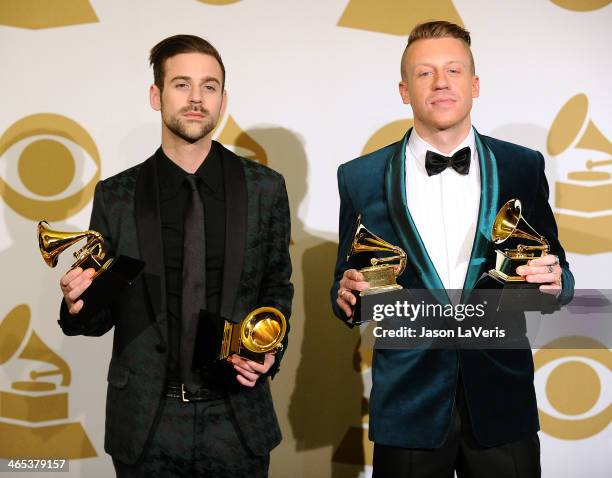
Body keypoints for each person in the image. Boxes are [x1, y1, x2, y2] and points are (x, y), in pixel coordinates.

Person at [331, 21, 573, 478]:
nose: (440, 82)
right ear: (404, 90)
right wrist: (346, 299)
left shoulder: (523, 166)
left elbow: (555, 276)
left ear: (474, 84)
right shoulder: (358, 177)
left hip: (502, 403)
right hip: (408, 409)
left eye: (453, 70)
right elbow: (346, 290)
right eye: (424, 73)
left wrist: (554, 284)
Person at [58, 34, 293, 477]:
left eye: (209, 86)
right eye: (182, 84)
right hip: (146, 425)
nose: (196, 99)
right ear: (156, 95)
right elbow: (95, 316)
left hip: (237, 420)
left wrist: (269, 350)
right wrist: (76, 304)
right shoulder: (117, 195)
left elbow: (277, 285)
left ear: (223, 99)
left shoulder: (265, 188)